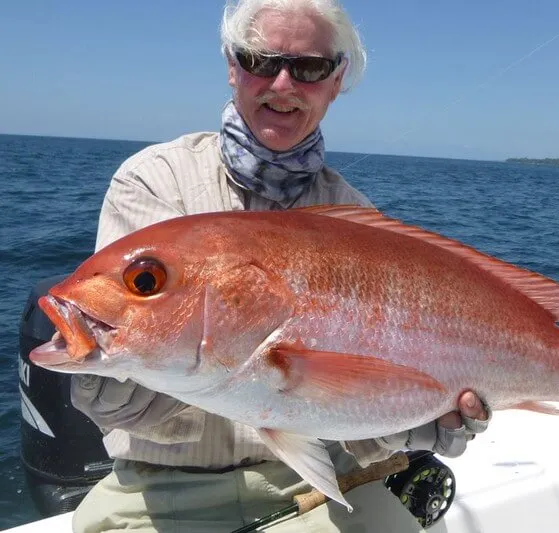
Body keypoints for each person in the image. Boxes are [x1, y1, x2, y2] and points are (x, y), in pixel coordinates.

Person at [69, 1, 490, 532]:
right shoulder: (155, 182)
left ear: (335, 82)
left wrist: (415, 425)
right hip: (162, 487)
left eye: (310, 68)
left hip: (327, 489)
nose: (283, 83)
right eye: (261, 61)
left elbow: (354, 422)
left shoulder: (355, 218)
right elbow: (120, 406)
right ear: (231, 66)